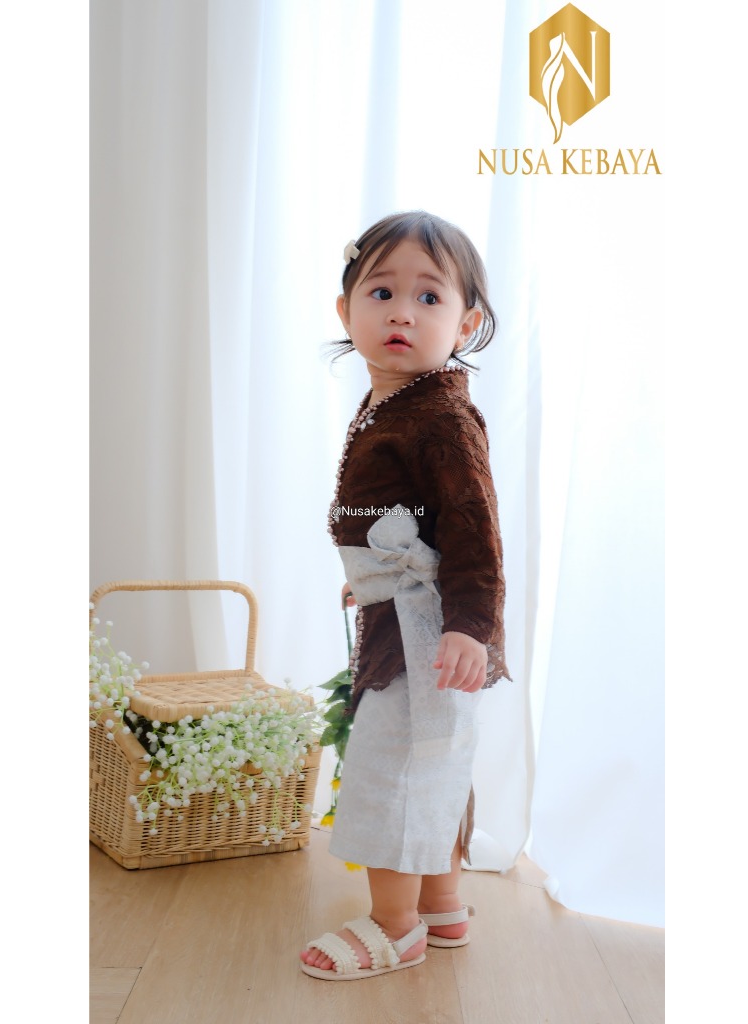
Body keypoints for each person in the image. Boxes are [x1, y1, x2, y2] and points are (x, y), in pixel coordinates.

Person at [300, 211, 510, 981]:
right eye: (382, 292)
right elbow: (407, 522)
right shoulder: (394, 402)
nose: (401, 313)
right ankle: (442, 904)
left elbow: (474, 531)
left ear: (466, 323)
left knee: (394, 767)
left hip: (435, 630)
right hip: (404, 610)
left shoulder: (441, 417)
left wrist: (469, 627)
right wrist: (371, 582)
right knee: (435, 762)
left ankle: (396, 927)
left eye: (429, 298)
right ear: (346, 310)